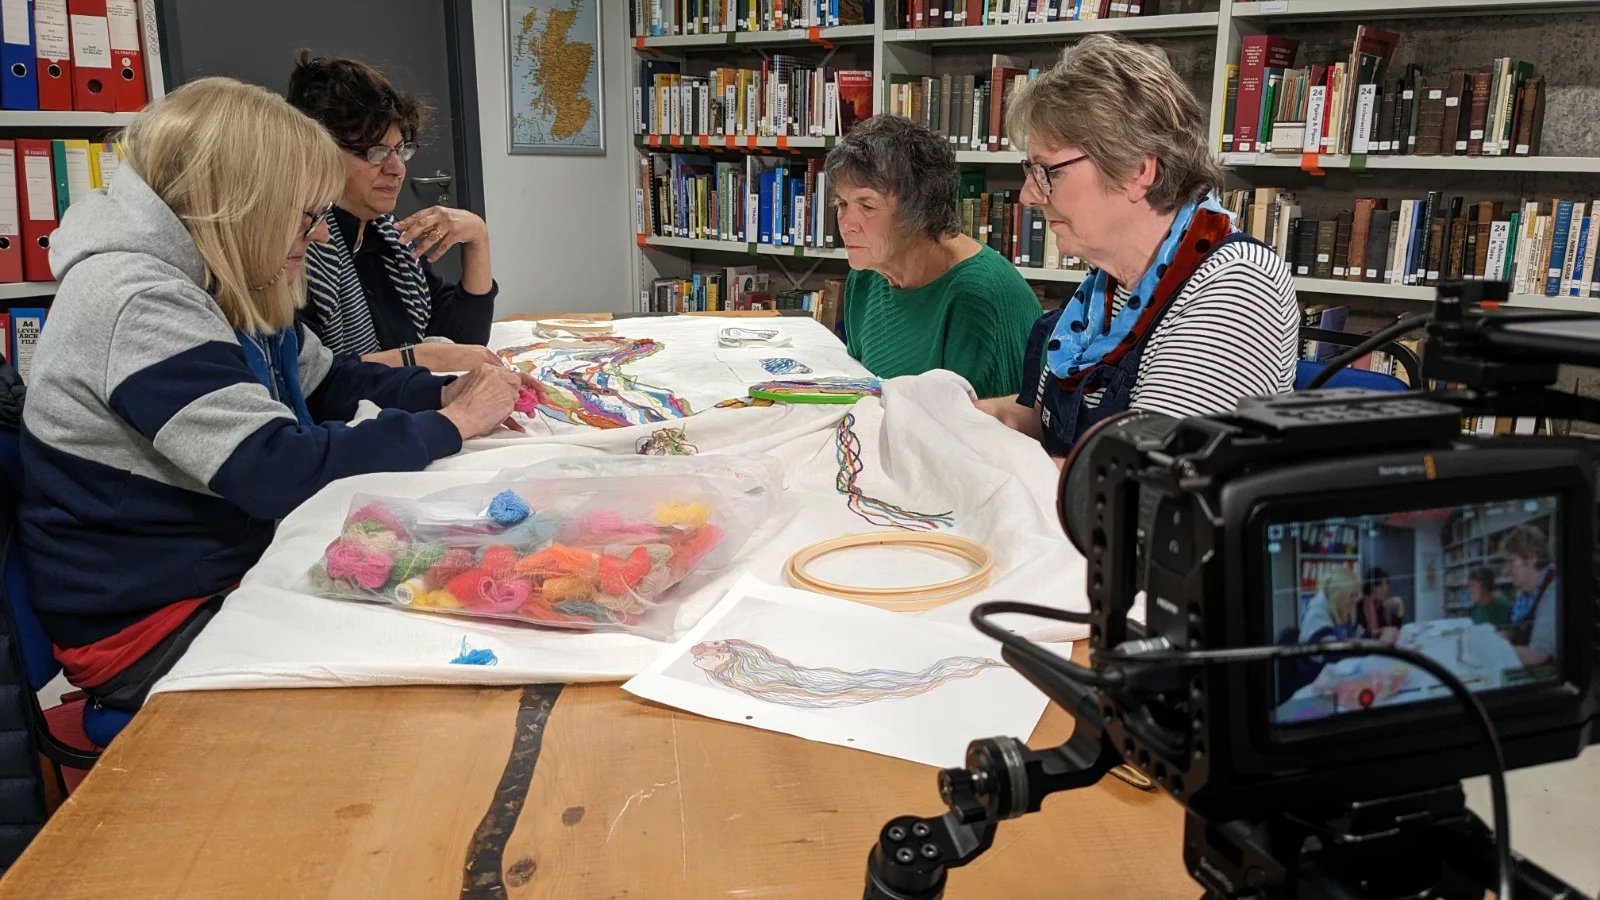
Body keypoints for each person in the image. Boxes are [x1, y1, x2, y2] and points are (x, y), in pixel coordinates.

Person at [18, 77, 527, 712]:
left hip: (223, 568)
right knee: (435, 663)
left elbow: (330, 380)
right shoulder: (138, 299)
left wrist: (446, 392)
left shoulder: (225, 272)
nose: (318, 237)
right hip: (150, 623)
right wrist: (451, 426)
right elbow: (273, 469)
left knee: (462, 582)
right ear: (242, 208)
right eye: (307, 215)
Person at [977, 36, 1298, 459]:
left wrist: (977, 466)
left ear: (1137, 170)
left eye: (1046, 170)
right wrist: (957, 419)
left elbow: (1141, 482)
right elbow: (1046, 420)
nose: (1028, 195)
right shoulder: (1107, 286)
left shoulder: (1237, 286)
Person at [287, 50, 500, 372]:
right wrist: (416, 357)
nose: (397, 169)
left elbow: (463, 339)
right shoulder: (297, 252)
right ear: (320, 153)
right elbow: (307, 379)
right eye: (375, 152)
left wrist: (478, 239)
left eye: (401, 150)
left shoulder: (386, 236)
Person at [826, 115, 1042, 398]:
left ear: (917, 211)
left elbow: (991, 431)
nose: (846, 223)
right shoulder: (866, 277)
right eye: (842, 203)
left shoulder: (979, 296)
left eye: (867, 205)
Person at [1501, 524, 1558, 667]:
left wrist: (1491, 649)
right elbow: (1521, 629)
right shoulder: (1527, 591)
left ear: (1531, 557)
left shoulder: (1553, 591)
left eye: (1511, 561)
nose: (1506, 571)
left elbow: (1537, 655)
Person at [1298, 566, 1363, 645]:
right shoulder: (1317, 617)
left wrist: (1376, 636)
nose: (1355, 600)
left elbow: (1358, 633)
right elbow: (1333, 653)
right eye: (1351, 595)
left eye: (1356, 595)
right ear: (1339, 596)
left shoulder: (1340, 608)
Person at [1357, 567, 1405, 640]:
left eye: (1386, 584)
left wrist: (1399, 606)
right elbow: (1369, 635)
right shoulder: (1363, 605)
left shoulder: (1379, 605)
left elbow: (1395, 630)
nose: (1385, 589)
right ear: (1372, 587)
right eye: (1381, 585)